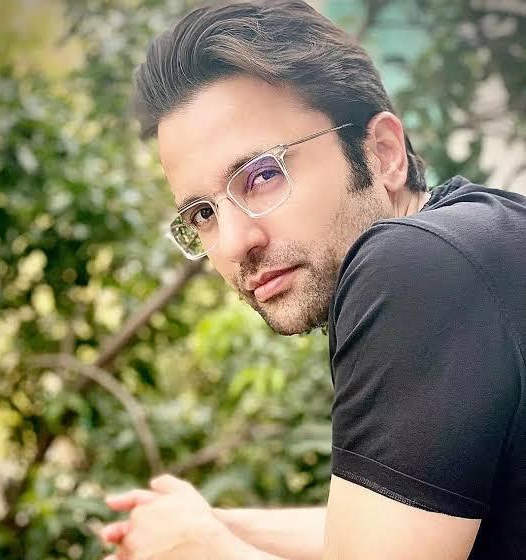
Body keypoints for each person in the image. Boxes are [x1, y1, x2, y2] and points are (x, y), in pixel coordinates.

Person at [100, 1, 526, 558]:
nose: (234, 243)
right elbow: (392, 522)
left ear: (382, 154)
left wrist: (197, 548)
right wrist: (220, 525)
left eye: (262, 175)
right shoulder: (480, 239)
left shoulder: (412, 265)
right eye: (203, 213)